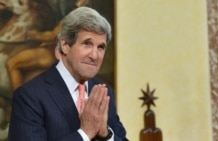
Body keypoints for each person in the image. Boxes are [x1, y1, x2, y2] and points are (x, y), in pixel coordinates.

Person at [8, 6, 129, 141]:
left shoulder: (103, 92)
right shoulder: (29, 96)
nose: (94, 55)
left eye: (101, 47)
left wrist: (106, 135)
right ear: (65, 45)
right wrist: (84, 134)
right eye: (87, 44)